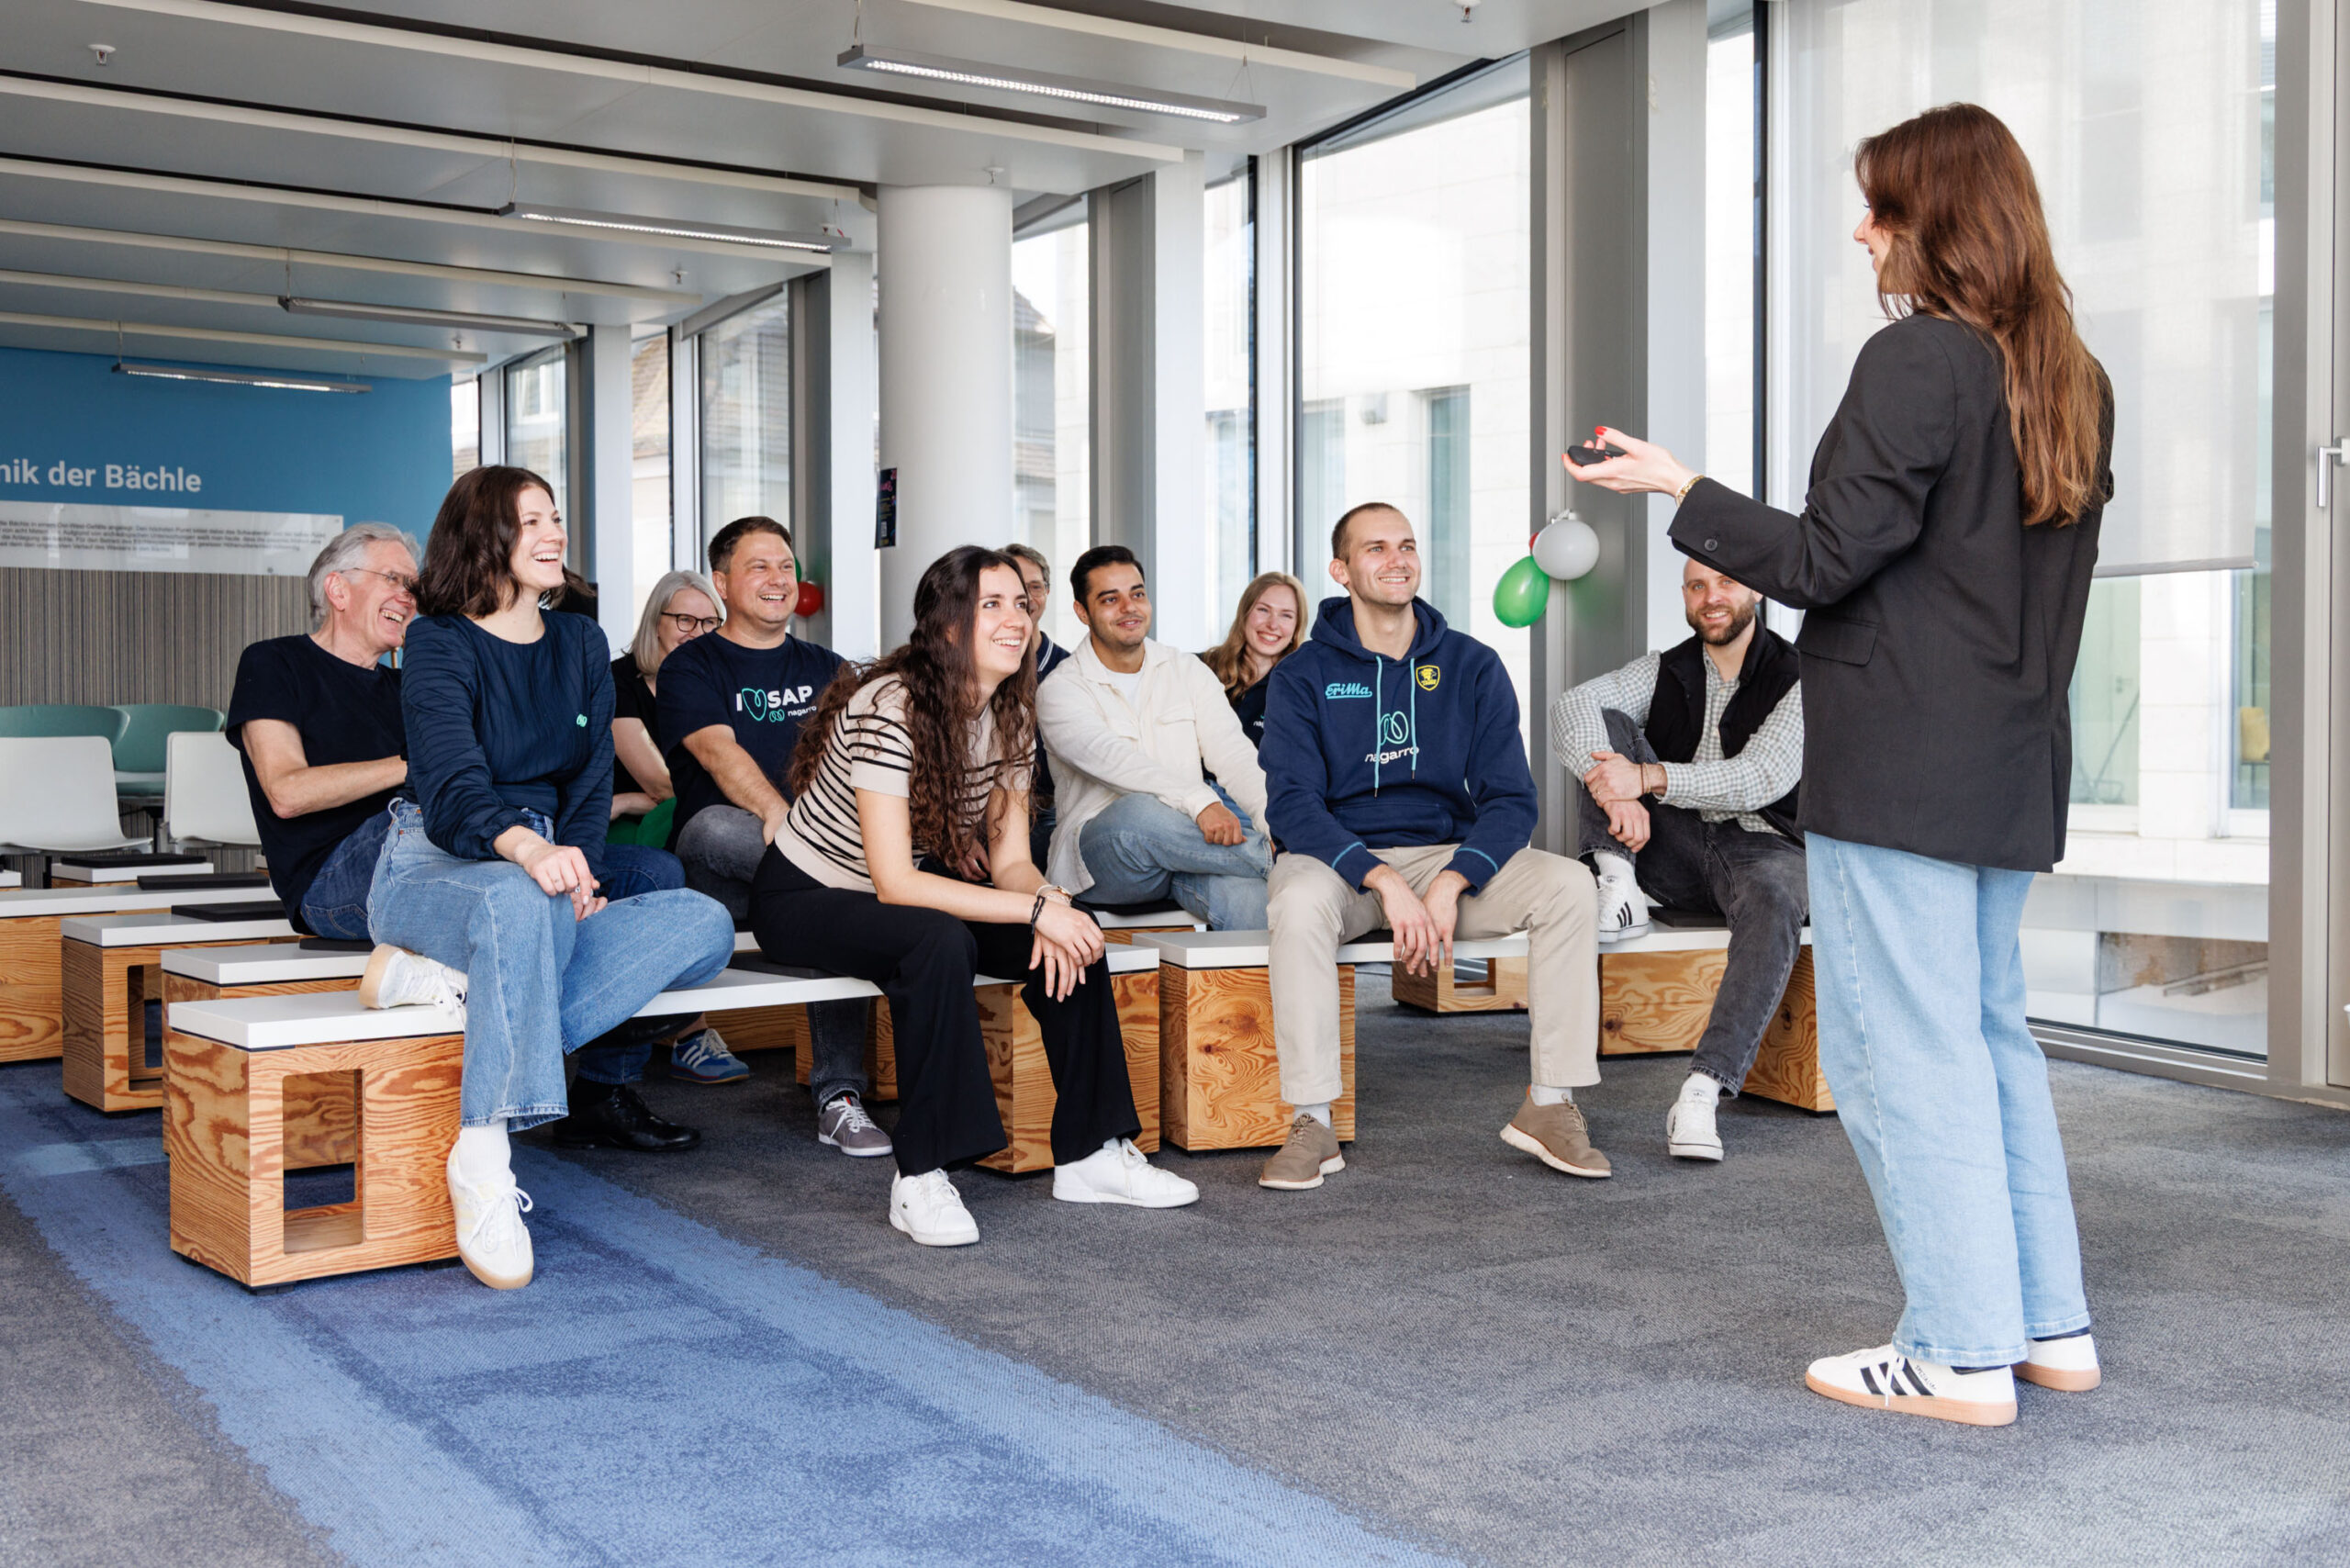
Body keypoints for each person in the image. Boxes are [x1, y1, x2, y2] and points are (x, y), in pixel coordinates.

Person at [1565, 103, 2112, 1428]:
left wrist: (1681, 487)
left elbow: (1819, 561)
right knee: (1987, 1037)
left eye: (1881, 206)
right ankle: (2047, 1327)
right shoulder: (2071, 377)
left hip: (1905, 769)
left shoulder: (1918, 357)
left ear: (1938, 218)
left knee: (1901, 1054)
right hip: (2006, 769)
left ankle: (1958, 1348)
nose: (1862, 230)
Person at [750, 545, 1198, 1247]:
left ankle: (1092, 1154)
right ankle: (921, 1175)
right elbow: (896, 883)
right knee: (939, 941)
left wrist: (1051, 906)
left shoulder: (1012, 712)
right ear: (949, 624)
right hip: (805, 893)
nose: (1016, 618)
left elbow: (1013, 861)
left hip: (894, 897)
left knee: (1073, 934)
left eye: (1021, 604)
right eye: (992, 605)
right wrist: (1037, 908)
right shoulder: (890, 704)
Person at [359, 465, 735, 1291]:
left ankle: (458, 991)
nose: (554, 533)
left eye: (554, 517)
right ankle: (484, 1156)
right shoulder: (438, 640)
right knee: (523, 901)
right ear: (483, 536)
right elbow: (451, 787)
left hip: (543, 867)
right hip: (437, 856)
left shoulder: (578, 643)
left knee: (702, 923)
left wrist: (581, 872)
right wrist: (531, 854)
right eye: (530, 521)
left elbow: (590, 785)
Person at [1256, 503, 1603, 1193]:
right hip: (1340, 864)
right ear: (1341, 570)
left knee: (1569, 884)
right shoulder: (1302, 674)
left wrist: (1452, 880)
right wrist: (1381, 879)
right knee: (1295, 904)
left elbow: (1511, 799)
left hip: (1446, 854)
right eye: (1376, 548)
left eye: (1407, 545)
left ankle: (1551, 1104)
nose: (1397, 560)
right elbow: (1292, 805)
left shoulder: (1472, 664)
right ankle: (1312, 1120)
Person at [1550, 557, 1807, 1162]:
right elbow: (1572, 705)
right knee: (1603, 726)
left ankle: (1701, 1091)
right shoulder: (1665, 668)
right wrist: (1616, 789)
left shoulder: (1801, 677)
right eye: (1696, 586)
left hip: (1765, 847)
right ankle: (1618, 883)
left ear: (1755, 590)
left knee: (1776, 897)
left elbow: (1760, 777)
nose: (1710, 597)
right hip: (1673, 850)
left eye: (1725, 583)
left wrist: (1647, 779)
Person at [656, 516, 881, 1148]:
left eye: (786, 566)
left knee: (835, 898)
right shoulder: (691, 666)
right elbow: (717, 752)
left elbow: (863, 763)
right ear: (723, 582)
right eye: (759, 566)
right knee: (716, 825)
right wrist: (787, 821)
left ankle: (839, 1097)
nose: (778, 579)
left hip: (813, 872)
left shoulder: (831, 668)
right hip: (724, 867)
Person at [1035, 544, 1272, 930]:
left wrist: (1275, 824)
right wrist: (1200, 802)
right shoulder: (1061, 689)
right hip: (1109, 860)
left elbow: (1234, 755)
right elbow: (1116, 761)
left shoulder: (1186, 670)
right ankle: (1287, 860)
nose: (1129, 608)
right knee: (1138, 813)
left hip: (1188, 850)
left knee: (1250, 899)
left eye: (1137, 594)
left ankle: (1287, 860)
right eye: (1110, 599)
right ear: (1082, 612)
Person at [226, 523, 415, 940]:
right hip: (328, 884)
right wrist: (414, 766)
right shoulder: (274, 663)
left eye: (413, 586)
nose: (407, 596)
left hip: (410, 857)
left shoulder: (408, 688)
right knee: (433, 821)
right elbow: (286, 793)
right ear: (338, 590)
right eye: (392, 579)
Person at [605, 569, 739, 1087]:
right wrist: (633, 799)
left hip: (678, 812)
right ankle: (690, 1032)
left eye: (709, 622)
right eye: (684, 619)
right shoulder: (620, 681)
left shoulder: (713, 682)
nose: (697, 632)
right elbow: (659, 782)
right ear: (655, 622)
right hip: (628, 829)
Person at [1003, 543, 1069, 868]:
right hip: (985, 809)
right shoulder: (979, 668)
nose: (1027, 598)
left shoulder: (1070, 670)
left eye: (1035, 587)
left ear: (1047, 592)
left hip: (1051, 809)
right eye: (1016, 589)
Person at [1199, 571, 1309, 750]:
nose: (1273, 625)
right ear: (1245, 613)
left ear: (1297, 627)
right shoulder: (1200, 669)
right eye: (1263, 610)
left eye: (1286, 615)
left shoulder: (1300, 689)